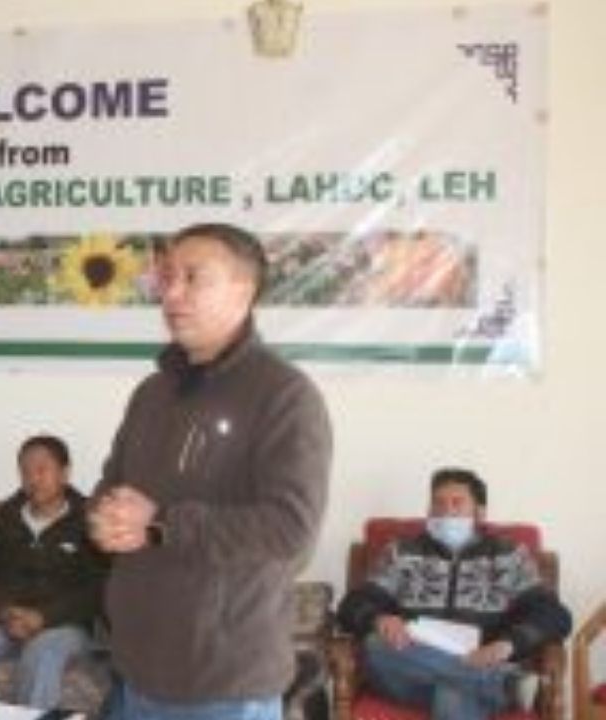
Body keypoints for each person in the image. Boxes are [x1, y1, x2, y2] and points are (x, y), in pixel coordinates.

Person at [88, 223, 332, 720]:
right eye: (167, 277)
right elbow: (111, 488)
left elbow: (292, 531)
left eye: (193, 277)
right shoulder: (151, 393)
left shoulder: (285, 395)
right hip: (136, 666)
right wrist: (101, 518)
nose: (171, 294)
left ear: (244, 290)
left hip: (224, 683)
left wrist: (161, 523)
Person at [336, 468, 572, 720]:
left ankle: (477, 680)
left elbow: (554, 616)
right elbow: (351, 606)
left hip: (482, 659)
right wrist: (379, 619)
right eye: (437, 503)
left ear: (479, 512)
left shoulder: (508, 555)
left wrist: (507, 645)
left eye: (457, 503)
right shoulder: (401, 552)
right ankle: (502, 683)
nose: (445, 511)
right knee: (376, 645)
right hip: (408, 669)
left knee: (453, 692)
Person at [0, 435, 108, 709]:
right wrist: (2, 610)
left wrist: (43, 616)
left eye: (41, 469)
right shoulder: (4, 518)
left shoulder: (89, 521)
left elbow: (97, 589)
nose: (32, 479)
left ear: (65, 473)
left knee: (43, 654)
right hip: (3, 618)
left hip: (63, 624)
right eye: (25, 471)